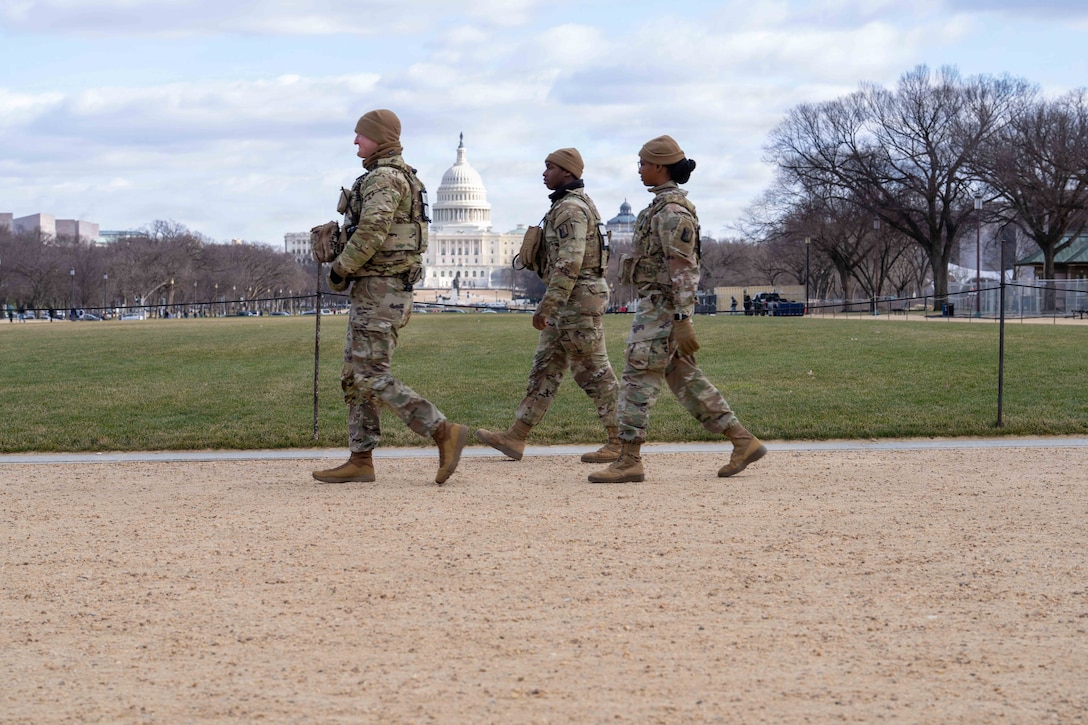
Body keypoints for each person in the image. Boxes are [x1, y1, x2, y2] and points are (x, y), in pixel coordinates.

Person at [588, 135, 767, 484]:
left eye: (643, 164)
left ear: (659, 166)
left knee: (637, 379)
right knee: (684, 377)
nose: (639, 170)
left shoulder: (671, 212)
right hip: (659, 307)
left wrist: (683, 319)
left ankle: (628, 459)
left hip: (662, 310)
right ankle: (742, 441)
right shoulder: (660, 208)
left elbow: (683, 268)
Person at [312, 109, 469, 485]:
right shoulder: (388, 176)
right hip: (375, 288)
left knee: (371, 374)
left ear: (379, 137)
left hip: (382, 289)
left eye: (360, 135)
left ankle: (442, 430)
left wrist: (340, 268)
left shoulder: (384, 178)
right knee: (355, 375)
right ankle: (361, 458)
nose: (354, 141)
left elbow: (372, 232)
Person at [476, 148, 620, 463]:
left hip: (577, 301)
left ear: (567, 172)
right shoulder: (567, 205)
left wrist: (547, 306)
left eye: (550, 167)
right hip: (570, 302)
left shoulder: (570, 209)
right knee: (544, 370)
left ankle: (622, 440)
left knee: (593, 371)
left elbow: (570, 263)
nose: (544, 173)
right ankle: (516, 436)